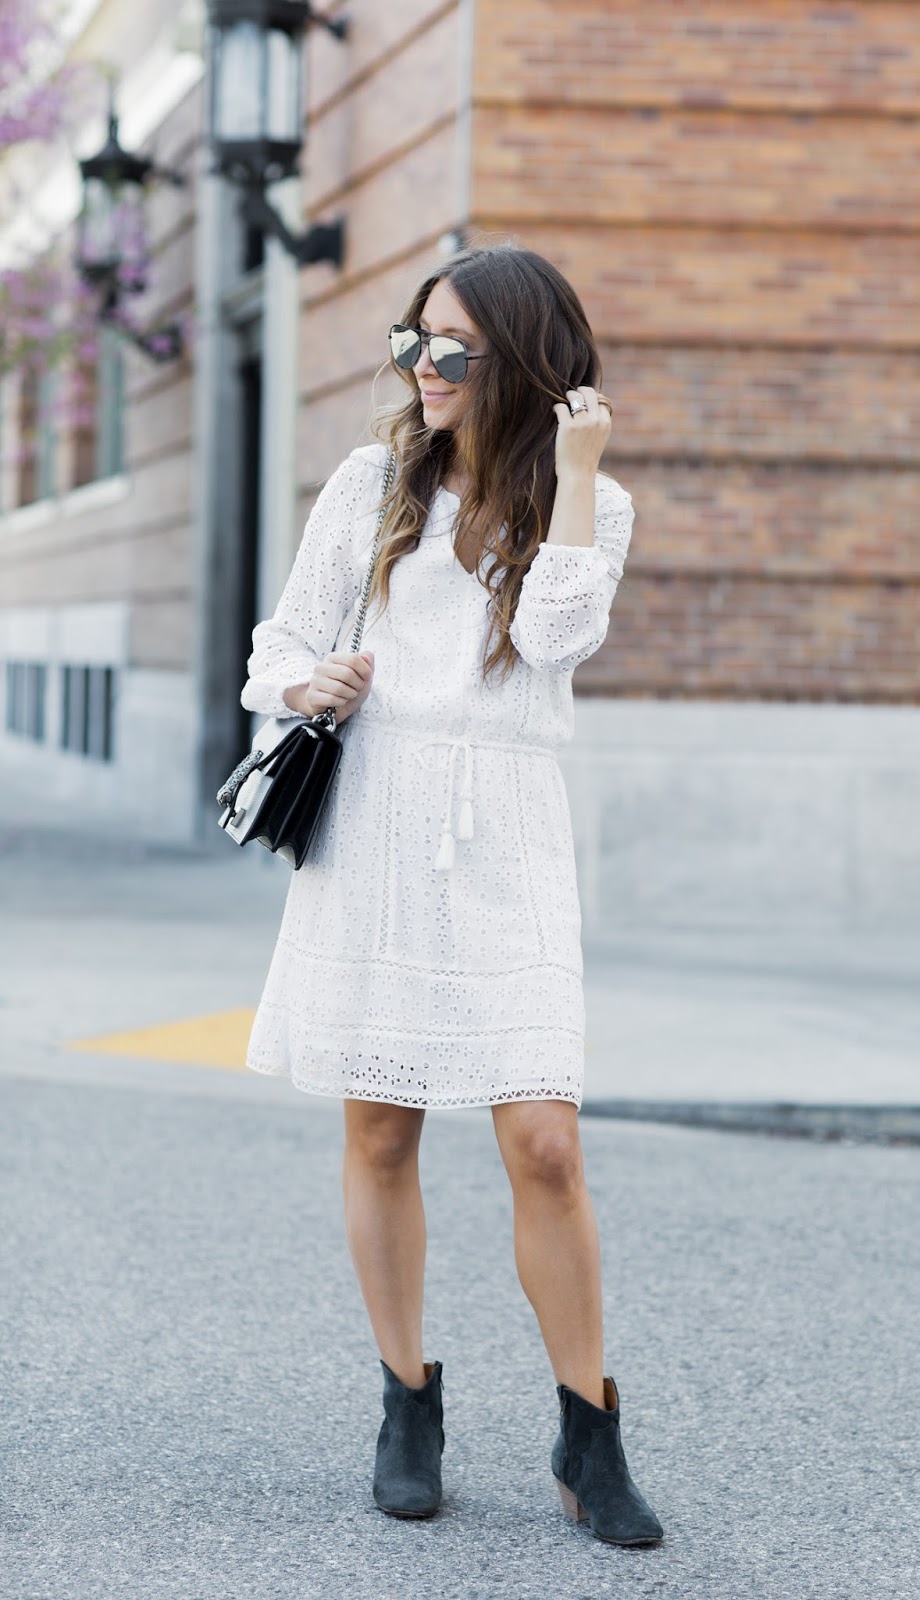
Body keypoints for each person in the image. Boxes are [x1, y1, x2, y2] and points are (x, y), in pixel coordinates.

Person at [238, 242, 663, 1547]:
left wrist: (575, 477)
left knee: (544, 1142)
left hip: (507, 834)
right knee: (381, 1130)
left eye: (455, 351)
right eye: (413, 343)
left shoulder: (592, 502)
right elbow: (281, 641)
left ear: (526, 364)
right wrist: (306, 683)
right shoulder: (370, 484)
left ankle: (588, 1430)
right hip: (376, 821)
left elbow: (553, 641)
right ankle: (406, 1402)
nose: (425, 369)